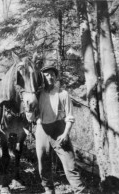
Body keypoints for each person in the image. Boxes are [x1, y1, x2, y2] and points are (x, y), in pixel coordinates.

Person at [35, 65, 86, 194]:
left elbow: (69, 117)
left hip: (59, 129)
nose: (50, 77)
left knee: (70, 164)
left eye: (52, 74)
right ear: (42, 77)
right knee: (43, 163)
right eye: (46, 75)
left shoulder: (63, 94)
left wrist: (65, 133)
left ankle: (80, 191)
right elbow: (31, 113)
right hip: (42, 129)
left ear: (56, 77)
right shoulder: (38, 94)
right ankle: (48, 189)